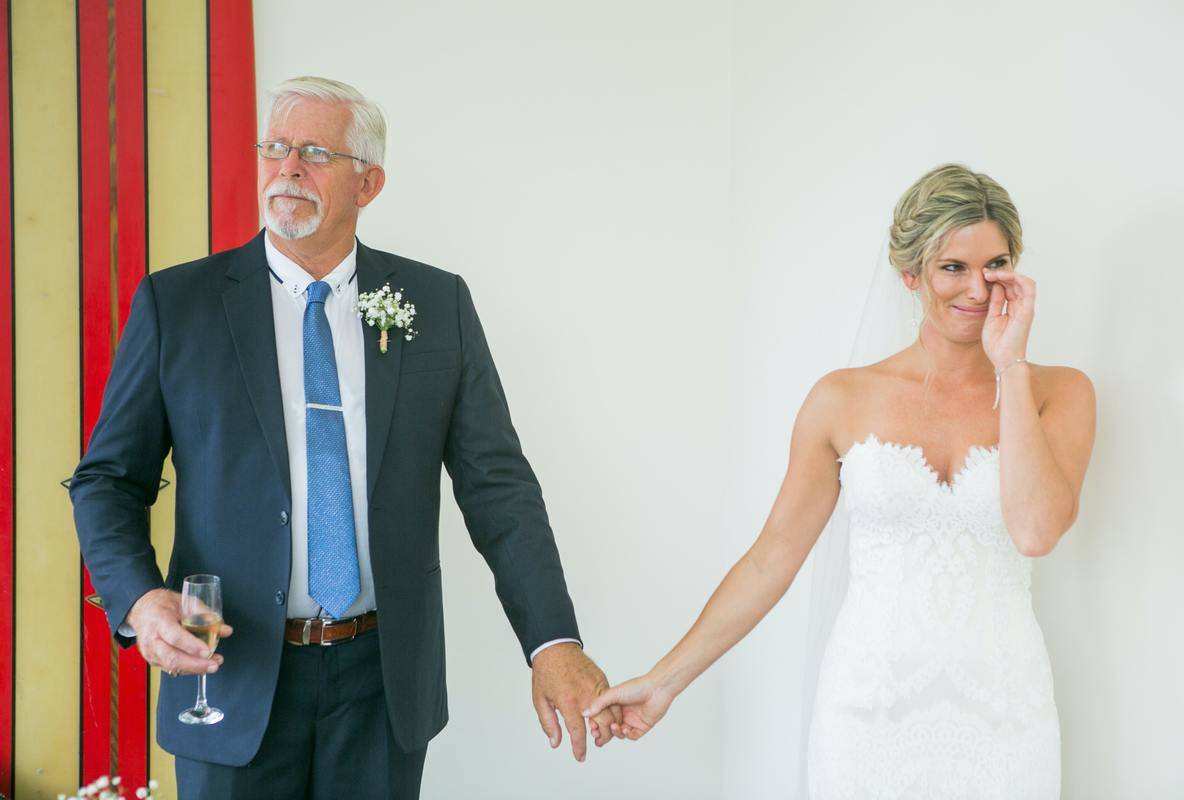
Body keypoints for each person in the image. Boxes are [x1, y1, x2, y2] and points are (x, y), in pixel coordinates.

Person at [70, 75, 620, 799]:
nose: (287, 167)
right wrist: (140, 602)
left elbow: (498, 485)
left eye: (314, 152)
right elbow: (109, 479)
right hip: (226, 674)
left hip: (381, 684)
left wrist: (553, 642)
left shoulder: (436, 303)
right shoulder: (181, 304)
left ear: (368, 184)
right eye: (275, 147)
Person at [584, 164, 1095, 798]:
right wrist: (663, 682)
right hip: (868, 714)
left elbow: (1036, 530)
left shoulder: (1060, 391)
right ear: (910, 275)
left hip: (1007, 712)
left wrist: (1011, 365)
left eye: (994, 264)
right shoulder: (841, 399)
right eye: (952, 267)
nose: (977, 289)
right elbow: (772, 557)